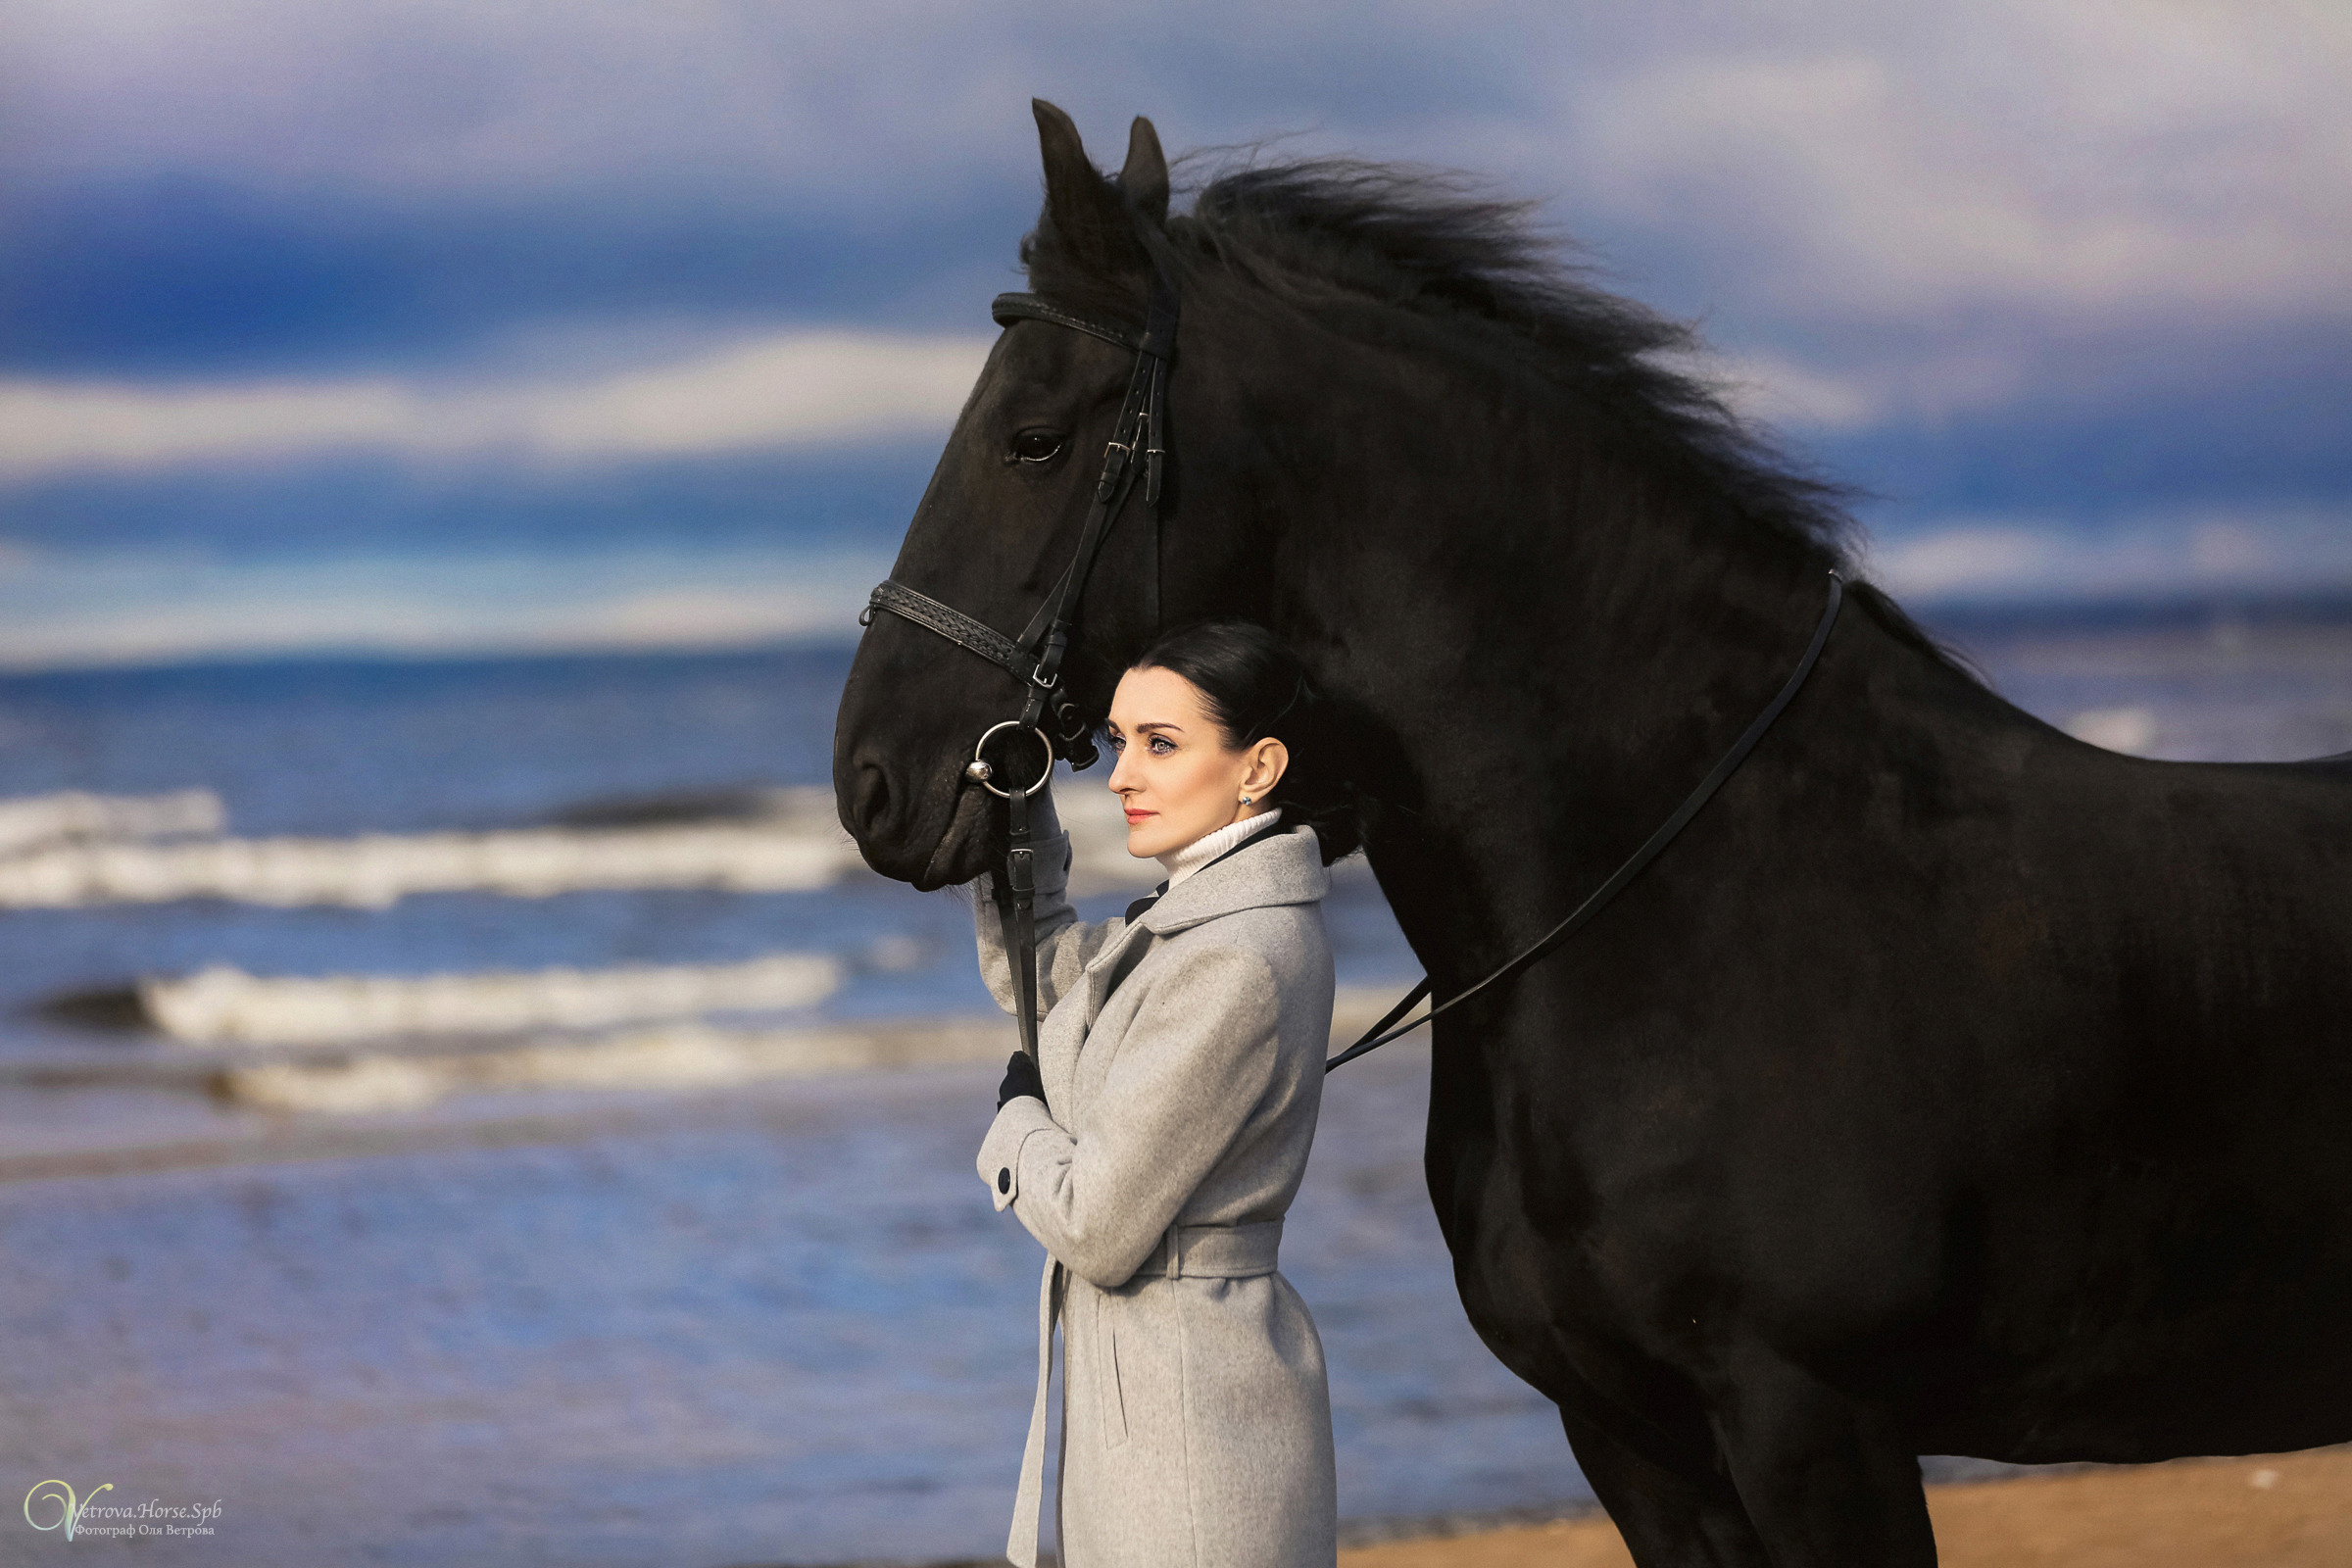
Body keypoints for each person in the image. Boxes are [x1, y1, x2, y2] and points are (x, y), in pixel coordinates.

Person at [970, 619, 1353, 1568]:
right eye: (1120, 739)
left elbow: (1097, 1227)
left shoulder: (1233, 958)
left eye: (1162, 743)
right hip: (1164, 1394)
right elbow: (1058, 989)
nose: (1121, 775)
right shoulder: (1198, 927)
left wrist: (1018, 1121)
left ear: (1258, 764)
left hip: (1194, 1422)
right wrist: (1015, 814)